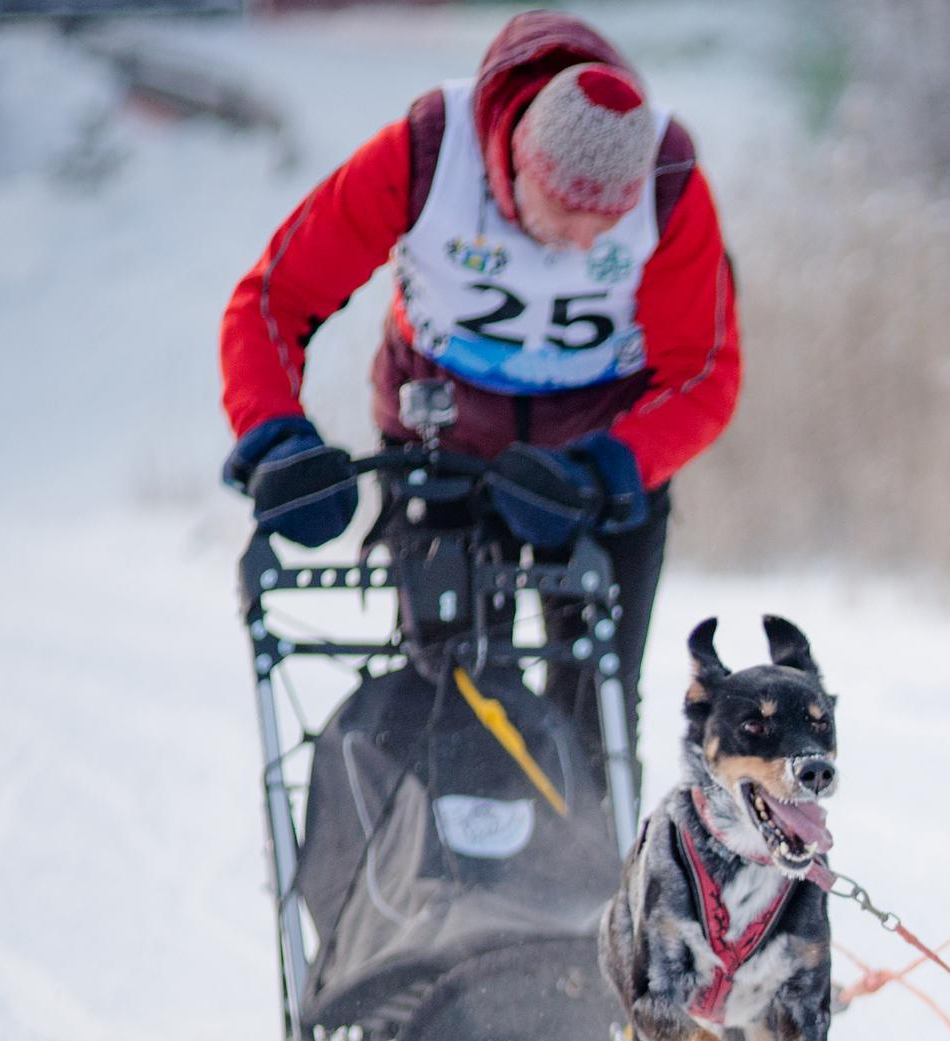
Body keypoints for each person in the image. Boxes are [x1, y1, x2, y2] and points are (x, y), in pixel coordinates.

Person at [216, 9, 741, 783]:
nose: (589, 245)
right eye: (568, 214)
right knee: (454, 704)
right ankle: (452, 889)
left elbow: (704, 372)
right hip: (443, 451)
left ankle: (584, 890)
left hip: (587, 469)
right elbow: (273, 299)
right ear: (517, 164)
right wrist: (275, 436)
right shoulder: (428, 154)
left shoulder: (667, 182)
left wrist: (611, 468)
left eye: (610, 224)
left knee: (592, 717)